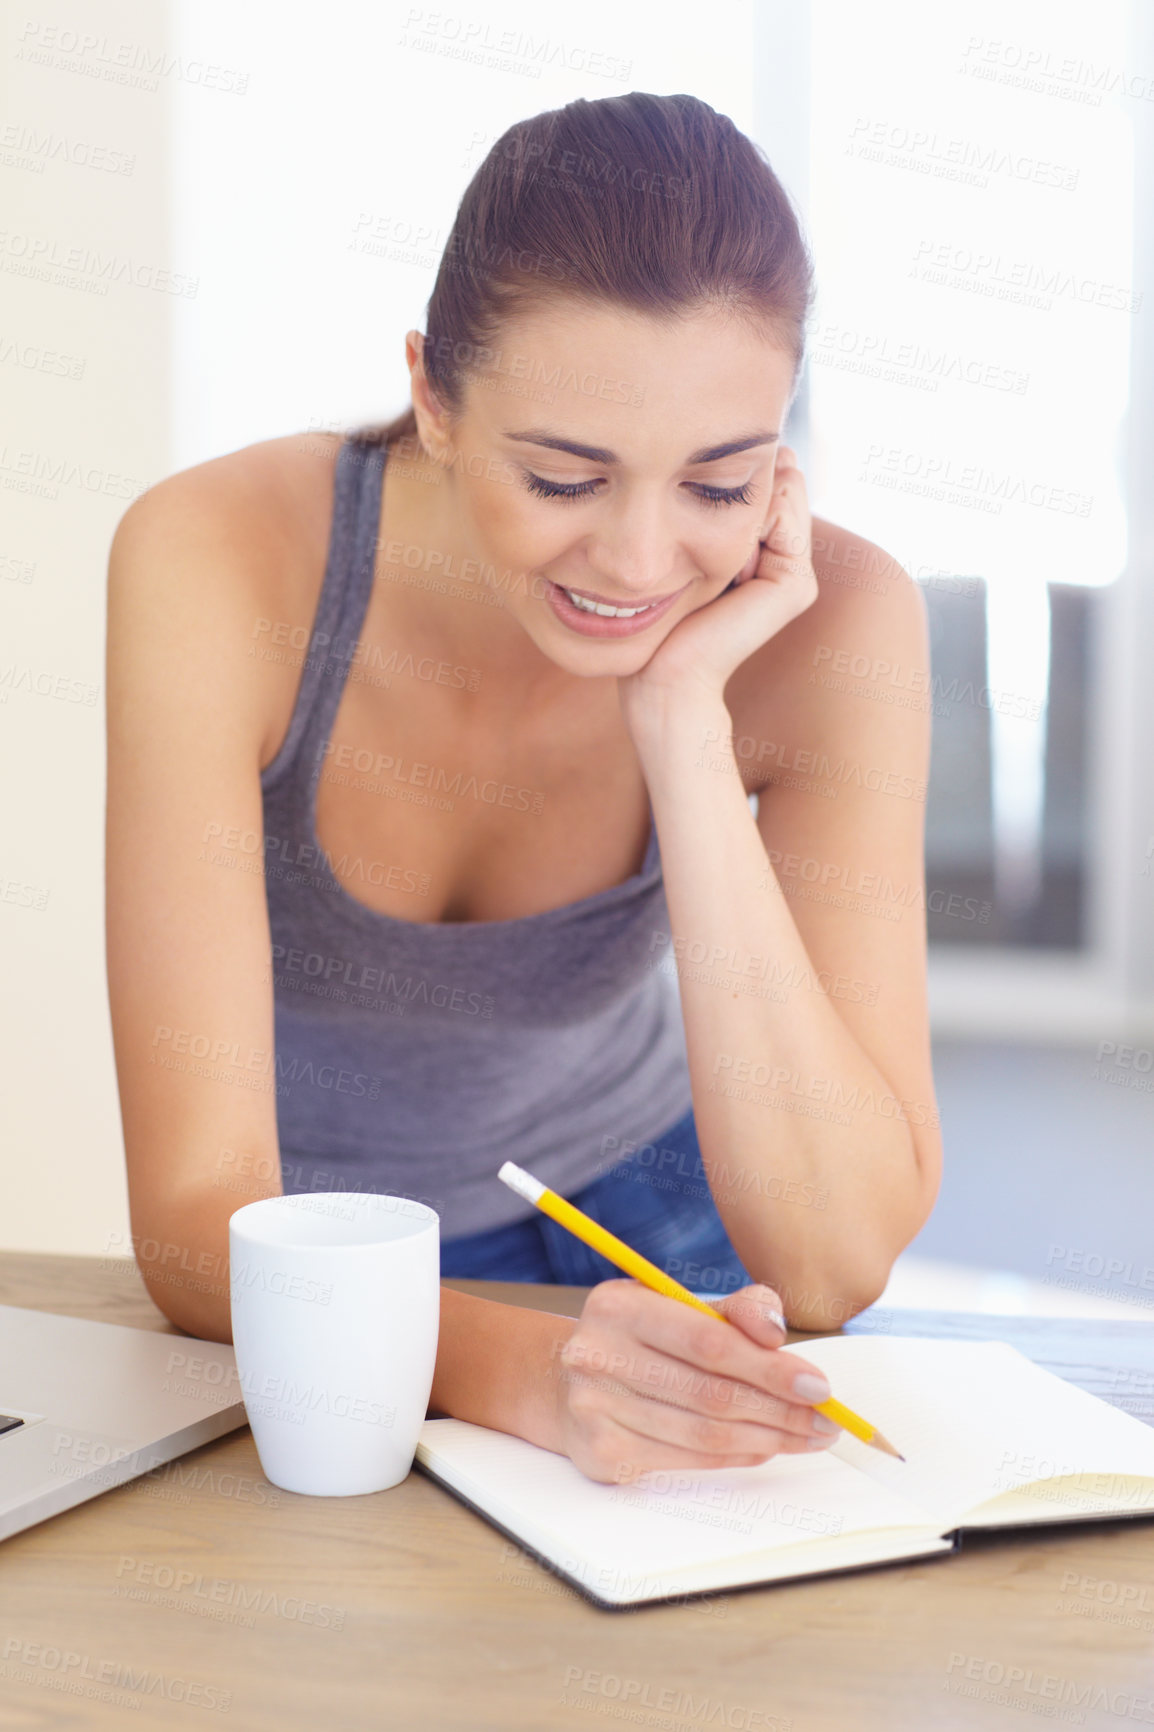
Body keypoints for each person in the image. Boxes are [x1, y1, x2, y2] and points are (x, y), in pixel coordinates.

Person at [105, 91, 941, 1486]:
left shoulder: (831, 627)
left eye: (719, 483)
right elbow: (200, 1223)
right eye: (563, 476)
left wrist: (681, 723)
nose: (635, 560)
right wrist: (520, 1370)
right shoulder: (217, 561)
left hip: (665, 1214)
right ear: (432, 394)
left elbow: (831, 1261)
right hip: (335, 1279)